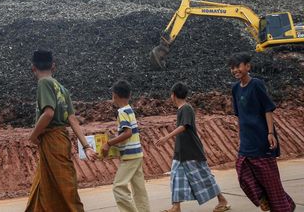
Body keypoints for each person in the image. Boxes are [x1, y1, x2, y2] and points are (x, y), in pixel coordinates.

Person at [25, 49, 97, 212]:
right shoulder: (62, 88)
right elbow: (72, 119)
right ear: (54, 66)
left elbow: (48, 113)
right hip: (61, 140)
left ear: (33, 68)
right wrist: (86, 146)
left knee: (64, 189)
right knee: (46, 185)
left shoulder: (43, 83)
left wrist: (33, 135)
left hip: (52, 140)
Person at [229, 52, 296, 212]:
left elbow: (267, 109)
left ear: (247, 66)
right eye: (232, 68)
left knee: (270, 180)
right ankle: (265, 198)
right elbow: (239, 115)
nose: (235, 70)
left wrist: (270, 133)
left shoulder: (256, 84)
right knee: (242, 170)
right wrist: (241, 136)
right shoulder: (235, 89)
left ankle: (283, 206)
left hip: (261, 138)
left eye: (237, 66)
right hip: (246, 140)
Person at [155, 82, 230, 212]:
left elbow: (184, 126)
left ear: (173, 95)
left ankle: (222, 200)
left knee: (204, 176)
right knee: (176, 177)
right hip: (181, 152)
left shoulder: (186, 108)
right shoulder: (182, 109)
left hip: (192, 151)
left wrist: (166, 137)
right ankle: (176, 206)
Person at [101, 79, 151, 212]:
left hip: (129, 157)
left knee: (118, 187)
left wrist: (109, 143)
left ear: (114, 95)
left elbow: (128, 133)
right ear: (129, 95)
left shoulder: (122, 112)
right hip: (137, 154)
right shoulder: (129, 110)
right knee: (139, 189)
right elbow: (129, 132)